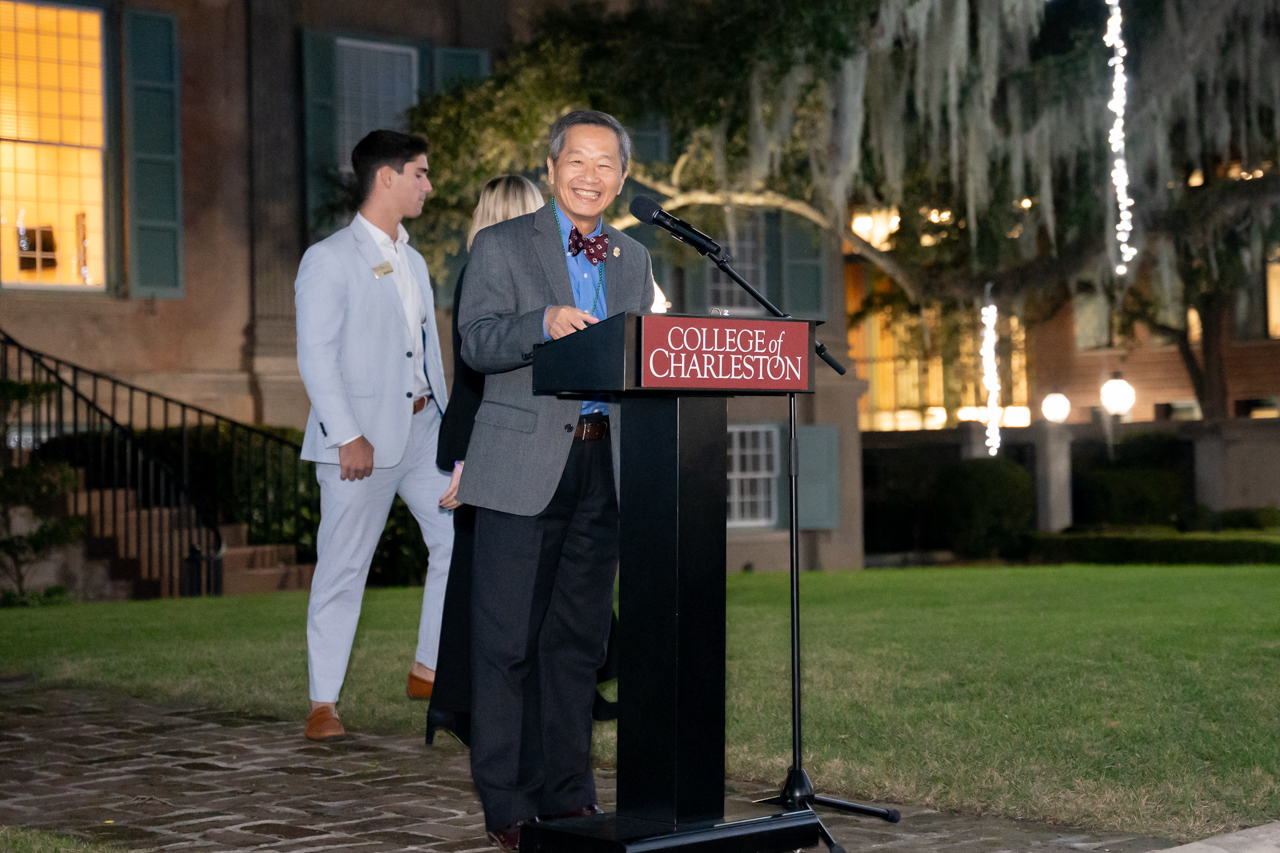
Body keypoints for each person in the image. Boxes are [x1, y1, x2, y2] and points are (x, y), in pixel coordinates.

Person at [456, 110, 655, 852]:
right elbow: (475, 341)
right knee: (505, 641)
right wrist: (541, 320)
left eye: (607, 165)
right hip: (521, 466)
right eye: (578, 160)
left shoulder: (633, 258)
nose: (591, 175)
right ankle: (506, 801)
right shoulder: (503, 245)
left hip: (605, 464)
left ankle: (569, 795)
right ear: (550, 167)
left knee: (575, 643)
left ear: (623, 179)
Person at [295, 129, 453, 742]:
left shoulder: (413, 260)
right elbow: (316, 357)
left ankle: (430, 666)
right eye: (420, 172)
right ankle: (322, 704)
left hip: (422, 433)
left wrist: (448, 427)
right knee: (343, 567)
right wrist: (346, 436)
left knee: (459, 535)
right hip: (358, 443)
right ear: (386, 177)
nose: (428, 185)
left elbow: (428, 356)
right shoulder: (328, 258)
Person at [428, 175, 547, 747]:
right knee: (487, 593)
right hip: (488, 452)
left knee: (487, 588)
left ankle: (465, 706)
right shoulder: (493, 272)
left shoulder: (480, 270)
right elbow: (475, 380)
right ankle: (466, 708)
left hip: (500, 449)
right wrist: (465, 463)